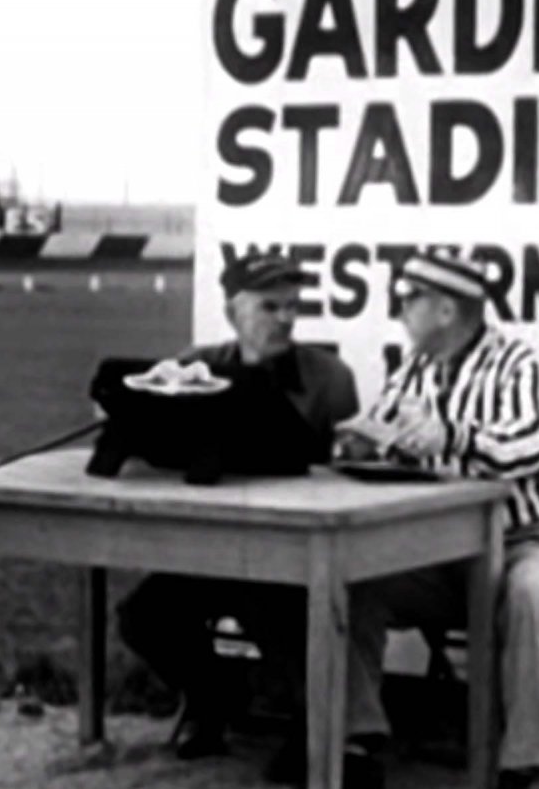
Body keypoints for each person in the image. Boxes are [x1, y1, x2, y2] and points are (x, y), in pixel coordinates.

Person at [334, 249, 539, 789]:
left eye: (408, 299)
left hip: (522, 542)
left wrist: (455, 435)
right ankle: (359, 741)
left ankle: (519, 771)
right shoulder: (412, 368)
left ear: (446, 309)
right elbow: (386, 427)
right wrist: (366, 441)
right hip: (438, 553)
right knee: (352, 576)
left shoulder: (518, 364)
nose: (399, 312)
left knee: (532, 594)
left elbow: (531, 446)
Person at [116, 251, 358, 762]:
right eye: (271, 307)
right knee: (144, 616)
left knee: (269, 604)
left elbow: (345, 478)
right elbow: (148, 437)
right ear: (233, 313)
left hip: (292, 556)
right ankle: (213, 699)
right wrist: (123, 411)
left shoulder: (330, 378)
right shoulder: (194, 366)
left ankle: (309, 726)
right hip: (210, 550)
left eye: (294, 307)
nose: (287, 319)